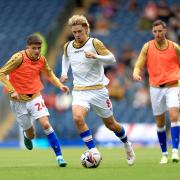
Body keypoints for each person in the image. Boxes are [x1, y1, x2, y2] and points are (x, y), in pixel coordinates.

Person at [60, 15, 135, 166]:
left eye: (79, 31)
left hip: (98, 90)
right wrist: (63, 73)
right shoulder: (68, 46)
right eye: (74, 32)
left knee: (111, 124)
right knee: (77, 118)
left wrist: (95, 56)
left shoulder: (94, 43)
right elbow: (65, 57)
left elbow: (112, 59)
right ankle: (93, 151)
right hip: (80, 91)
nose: (77, 35)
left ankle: (127, 144)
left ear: (86, 29)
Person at [0, 34, 69, 167]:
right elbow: (1, 73)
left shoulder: (41, 59)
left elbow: (49, 74)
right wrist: (12, 90)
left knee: (45, 124)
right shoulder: (18, 58)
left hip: (35, 97)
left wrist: (60, 85)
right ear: (28, 48)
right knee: (31, 134)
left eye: (39, 48)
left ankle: (59, 156)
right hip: (19, 101)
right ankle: (27, 135)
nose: (37, 51)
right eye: (34, 48)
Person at [133, 19, 180, 164]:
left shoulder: (175, 47)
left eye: (160, 31)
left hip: (173, 86)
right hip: (155, 88)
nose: (158, 34)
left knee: (174, 115)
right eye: (155, 31)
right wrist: (136, 72)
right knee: (159, 123)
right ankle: (164, 153)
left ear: (165, 31)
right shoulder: (147, 47)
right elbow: (139, 64)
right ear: (152, 32)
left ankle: (175, 151)